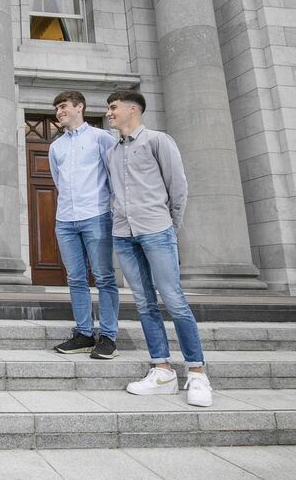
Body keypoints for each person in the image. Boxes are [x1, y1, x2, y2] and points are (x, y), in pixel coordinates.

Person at [105, 90, 212, 407]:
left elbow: (178, 186)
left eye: (113, 107)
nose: (109, 113)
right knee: (144, 303)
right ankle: (162, 371)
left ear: (132, 109)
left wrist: (169, 226)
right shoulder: (112, 152)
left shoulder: (158, 141)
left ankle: (197, 372)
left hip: (156, 229)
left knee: (175, 300)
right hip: (124, 234)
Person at [48, 91, 119, 359]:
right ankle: (84, 334)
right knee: (75, 278)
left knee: (104, 277)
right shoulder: (56, 147)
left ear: (80, 107)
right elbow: (59, 181)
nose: (59, 112)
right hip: (65, 219)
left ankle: (109, 337)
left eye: (63, 106)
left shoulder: (101, 137)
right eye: (56, 108)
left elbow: (114, 175)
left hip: (97, 214)